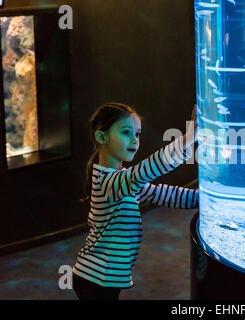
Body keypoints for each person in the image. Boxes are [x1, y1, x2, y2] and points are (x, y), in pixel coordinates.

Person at [72, 102, 199, 300]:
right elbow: (146, 170)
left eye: (138, 134)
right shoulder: (108, 182)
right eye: (126, 132)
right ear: (101, 137)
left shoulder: (123, 182)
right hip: (95, 279)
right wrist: (188, 138)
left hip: (104, 279)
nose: (134, 140)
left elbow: (168, 195)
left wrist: (208, 199)